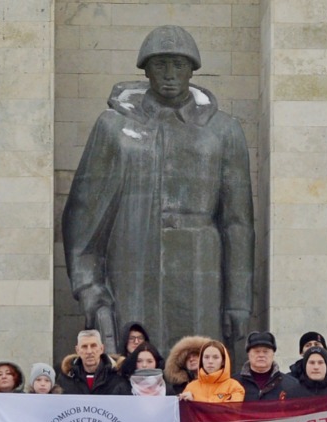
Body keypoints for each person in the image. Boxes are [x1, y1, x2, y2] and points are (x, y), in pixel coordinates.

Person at [62, 25, 254, 354]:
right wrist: (89, 286)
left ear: (192, 70)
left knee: (197, 362)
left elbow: (237, 221)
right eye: (160, 64)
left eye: (178, 65)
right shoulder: (114, 126)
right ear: (146, 70)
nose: (169, 75)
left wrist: (238, 300)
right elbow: (82, 213)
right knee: (132, 359)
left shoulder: (223, 130)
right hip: (132, 260)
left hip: (200, 266)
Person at [233, 331, 302, 401]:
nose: (261, 355)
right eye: (257, 351)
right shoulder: (233, 384)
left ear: (273, 354)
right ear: (248, 354)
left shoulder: (290, 385)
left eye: (265, 351)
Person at [56, 329, 129, 395]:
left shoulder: (118, 375)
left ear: (101, 348)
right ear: (77, 350)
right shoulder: (65, 378)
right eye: (84, 346)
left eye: (93, 346)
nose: (89, 351)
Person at [180, 340, 245, 403]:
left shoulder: (234, 387)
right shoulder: (191, 387)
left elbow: (230, 412)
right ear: (201, 360)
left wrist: (195, 403)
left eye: (215, 357)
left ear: (223, 361)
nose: (210, 361)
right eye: (206, 357)